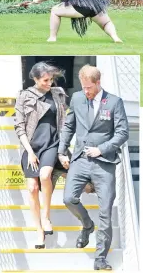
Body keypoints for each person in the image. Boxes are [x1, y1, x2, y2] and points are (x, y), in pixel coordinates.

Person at [58, 65, 128, 271]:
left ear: (98, 83)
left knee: (105, 211)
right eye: (83, 87)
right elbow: (69, 125)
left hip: (104, 162)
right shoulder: (78, 98)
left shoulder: (115, 102)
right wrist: (62, 151)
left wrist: (102, 149)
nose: (86, 91)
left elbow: (122, 133)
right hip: (79, 159)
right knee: (68, 198)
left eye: (89, 87)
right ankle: (87, 225)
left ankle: (100, 259)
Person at [14, 62, 67, 248]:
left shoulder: (57, 94)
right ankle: (39, 231)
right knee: (32, 188)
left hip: (51, 143)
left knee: (45, 175)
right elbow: (19, 127)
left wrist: (63, 150)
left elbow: (64, 122)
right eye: (45, 80)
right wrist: (29, 152)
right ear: (35, 79)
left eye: (51, 79)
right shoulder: (24, 96)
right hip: (31, 147)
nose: (49, 83)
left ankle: (46, 217)